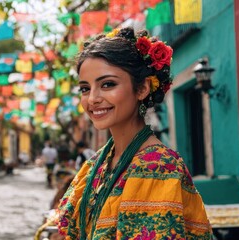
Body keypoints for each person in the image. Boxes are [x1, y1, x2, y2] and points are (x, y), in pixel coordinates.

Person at [56, 27, 212, 239]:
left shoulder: (157, 166)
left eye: (107, 84)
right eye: (85, 88)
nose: (92, 98)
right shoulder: (96, 164)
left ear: (142, 89)